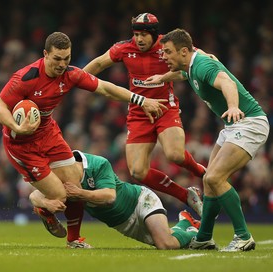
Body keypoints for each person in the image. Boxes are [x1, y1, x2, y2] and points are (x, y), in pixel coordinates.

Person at [0, 32, 167, 248]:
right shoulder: (26, 77)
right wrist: (17, 127)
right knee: (59, 195)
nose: (62, 64)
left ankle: (73, 240)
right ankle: (40, 203)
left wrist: (140, 100)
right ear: (45, 54)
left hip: (47, 132)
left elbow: (104, 88)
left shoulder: (71, 74)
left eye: (67, 58)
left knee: (74, 184)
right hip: (21, 145)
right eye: (57, 59)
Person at [145, 28, 270, 252]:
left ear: (184, 51)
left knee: (215, 178)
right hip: (233, 126)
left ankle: (243, 236)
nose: (163, 57)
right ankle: (204, 237)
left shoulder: (202, 65)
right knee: (208, 181)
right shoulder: (191, 65)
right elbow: (183, 75)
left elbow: (227, 83)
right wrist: (162, 78)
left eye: (167, 52)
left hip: (249, 123)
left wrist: (233, 106)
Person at [83, 13, 207, 217]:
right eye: (136, 34)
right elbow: (98, 64)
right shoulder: (124, 48)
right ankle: (186, 196)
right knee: (138, 172)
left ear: (154, 34)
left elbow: (190, 65)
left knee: (175, 154)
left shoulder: (168, 46)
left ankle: (203, 174)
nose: (139, 39)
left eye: (143, 35)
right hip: (139, 113)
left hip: (165, 108)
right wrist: (76, 78)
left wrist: (167, 75)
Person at [30, 150, 201, 250]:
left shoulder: (97, 164)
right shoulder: (61, 172)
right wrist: (47, 203)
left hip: (140, 201)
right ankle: (185, 222)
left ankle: (193, 231)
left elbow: (109, 197)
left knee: (166, 244)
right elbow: (34, 195)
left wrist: (81, 193)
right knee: (165, 239)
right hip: (124, 225)